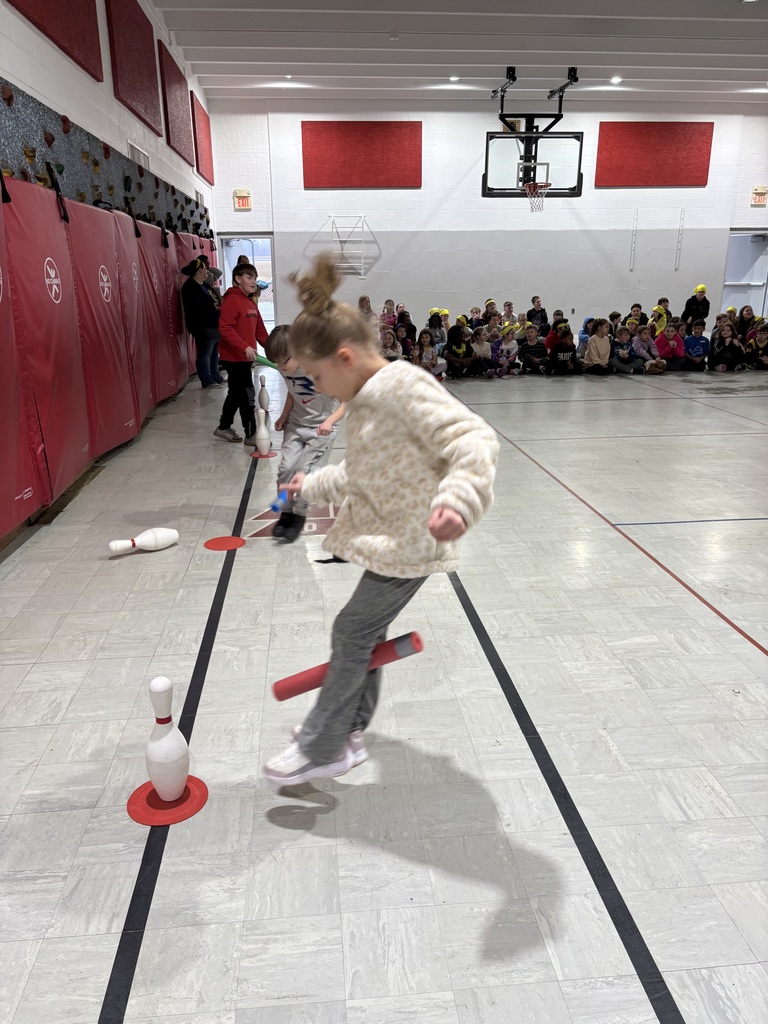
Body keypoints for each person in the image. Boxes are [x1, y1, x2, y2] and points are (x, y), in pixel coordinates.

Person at [262, 253, 499, 785]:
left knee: (351, 631)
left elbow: (475, 439)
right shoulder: (369, 398)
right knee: (362, 635)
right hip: (387, 540)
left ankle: (326, 745)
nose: (318, 389)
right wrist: (311, 484)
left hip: (411, 542)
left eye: (318, 375)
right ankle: (347, 734)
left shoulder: (402, 387)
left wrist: (459, 502)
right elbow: (361, 473)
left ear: (345, 358)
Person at [265, 325, 346, 543]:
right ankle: (287, 513)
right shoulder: (285, 368)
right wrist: (283, 417)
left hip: (321, 429)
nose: (281, 366)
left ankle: (299, 516)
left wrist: (330, 420)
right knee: (286, 469)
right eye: (277, 363)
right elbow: (293, 394)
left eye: (284, 361)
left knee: (303, 473)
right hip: (296, 425)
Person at [214, 262, 267, 444]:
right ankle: (251, 434)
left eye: (255, 278)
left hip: (246, 358)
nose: (254, 281)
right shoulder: (232, 300)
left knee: (236, 393)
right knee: (245, 394)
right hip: (233, 357)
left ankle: (223, 427)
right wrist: (244, 346)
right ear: (238, 279)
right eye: (249, 277)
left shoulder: (250, 302)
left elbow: (260, 330)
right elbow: (225, 328)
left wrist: (272, 348)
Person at [180, 258, 224, 390]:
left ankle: (216, 376)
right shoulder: (189, 287)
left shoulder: (205, 285)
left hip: (214, 324)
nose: (207, 270)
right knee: (205, 352)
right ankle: (207, 380)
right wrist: (212, 306)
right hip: (202, 326)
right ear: (199, 270)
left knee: (214, 351)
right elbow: (193, 307)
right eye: (205, 268)